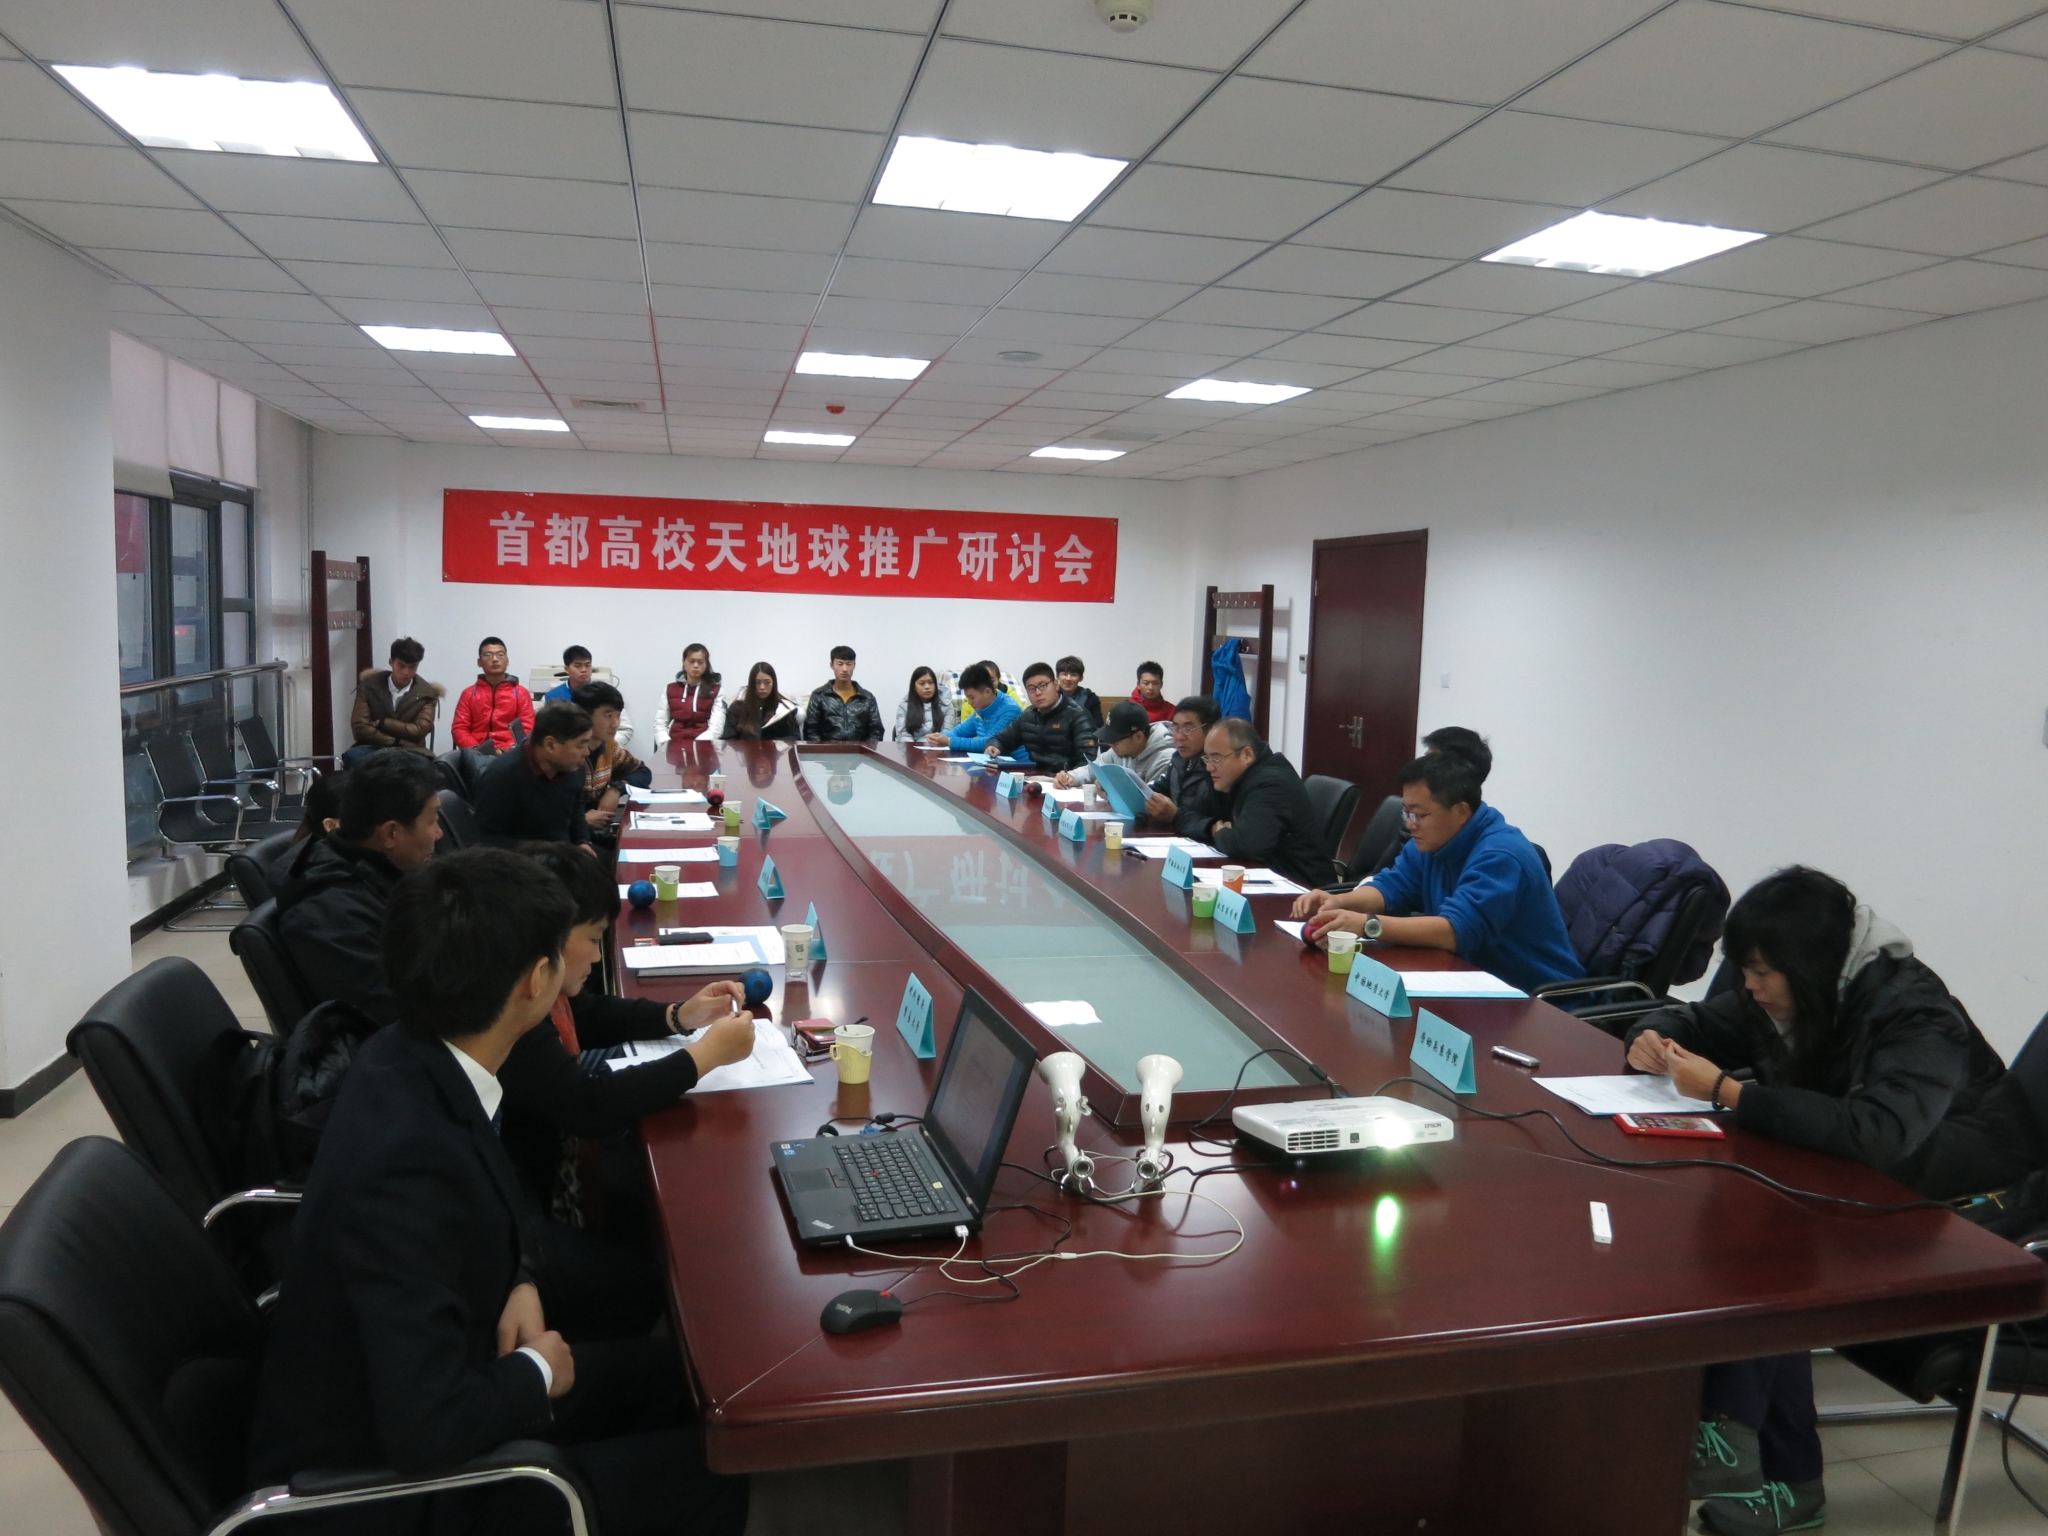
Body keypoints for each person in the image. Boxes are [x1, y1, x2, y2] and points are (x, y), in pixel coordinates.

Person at [247, 849, 750, 1536]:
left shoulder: (412, 1052)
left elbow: (493, 1195)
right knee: (708, 1479)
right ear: (537, 981)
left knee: (686, 1381)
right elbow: (428, 1428)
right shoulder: (405, 1172)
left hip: (452, 1364)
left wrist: (519, 1279)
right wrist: (535, 1372)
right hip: (394, 1492)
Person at [1625, 868, 2029, 1536]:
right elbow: (1697, 1020)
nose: (1749, 987)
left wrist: (1730, 1093)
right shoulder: (1791, 992)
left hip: (1968, 1205)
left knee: (1768, 1238)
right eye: (1744, 970)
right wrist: (1652, 1031)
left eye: (1761, 973)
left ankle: (1733, 1433)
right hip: (1863, 1179)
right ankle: (1770, 1465)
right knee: (1750, 1212)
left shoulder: (1916, 1015)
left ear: (1809, 965)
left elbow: (1879, 1133)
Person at [502, 843, 756, 1340]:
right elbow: (587, 1104)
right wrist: (704, 1057)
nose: (599, 955)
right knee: (646, 1281)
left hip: (534, 1176)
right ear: (551, 937)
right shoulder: (517, 1016)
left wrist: (679, 1016)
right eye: (594, 938)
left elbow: (590, 1013)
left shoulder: (540, 990)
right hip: (522, 1208)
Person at [1291, 752, 1579, 992]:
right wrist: (1340, 901)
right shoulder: (1431, 841)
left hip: (1534, 997)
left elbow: (1455, 931)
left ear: (1461, 811)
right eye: (1406, 813)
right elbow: (1393, 886)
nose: (1409, 824)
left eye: (1419, 814)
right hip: (1464, 978)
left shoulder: (1502, 855)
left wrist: (1367, 924)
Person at [275, 751, 443, 1029]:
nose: (439, 833)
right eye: (433, 820)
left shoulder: (383, 873)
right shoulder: (332, 916)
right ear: (390, 834)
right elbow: (396, 1019)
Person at [1184, 717, 1327, 889]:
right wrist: (1213, 826)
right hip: (1265, 877)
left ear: (1247, 755)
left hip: (1301, 889)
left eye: (1216, 758)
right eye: (1206, 758)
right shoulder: (1229, 778)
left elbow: (1246, 846)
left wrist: (1219, 832)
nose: (1209, 767)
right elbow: (1189, 814)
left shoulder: (1271, 783)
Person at [474, 701, 596, 849]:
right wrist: (544, 850)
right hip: (522, 860)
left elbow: (576, 811)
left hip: (563, 853)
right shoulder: (502, 776)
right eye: (581, 745)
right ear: (550, 745)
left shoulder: (573, 766)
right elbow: (486, 840)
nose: (587, 752)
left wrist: (583, 841)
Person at [980, 662, 1098, 772]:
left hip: (1068, 780)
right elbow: (1001, 739)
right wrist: (993, 746)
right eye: (1031, 689)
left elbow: (1088, 762)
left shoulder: (1078, 716)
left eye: (1043, 685)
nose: (1038, 693)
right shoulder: (1027, 715)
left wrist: (1069, 778)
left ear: (1056, 685)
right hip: (1037, 776)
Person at [345, 636, 441, 765]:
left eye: (412, 667)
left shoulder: (427, 693)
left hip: (412, 750)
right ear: (391, 662)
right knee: (353, 756)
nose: (406, 672)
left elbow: (419, 731)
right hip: (372, 746)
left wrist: (383, 723)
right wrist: (396, 741)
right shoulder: (369, 686)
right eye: (401, 666)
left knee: (421, 764)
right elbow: (359, 728)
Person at [573, 681, 647, 844]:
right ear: (585, 716)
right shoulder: (569, 754)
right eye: (608, 716)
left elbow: (642, 772)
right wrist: (582, 820)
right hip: (570, 839)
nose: (615, 724)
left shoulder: (608, 746)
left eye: (618, 716)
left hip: (594, 834)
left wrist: (615, 789)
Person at [1143, 695, 1222, 835]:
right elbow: (1158, 790)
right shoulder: (1179, 759)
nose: (1179, 737)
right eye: (1176, 728)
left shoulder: (1220, 768)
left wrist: (1175, 815)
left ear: (1211, 730)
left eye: (1188, 729)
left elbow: (1218, 824)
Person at [1058, 700, 1173, 789]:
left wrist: (1110, 792)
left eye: (1116, 740)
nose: (1110, 744)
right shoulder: (1120, 750)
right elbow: (1092, 770)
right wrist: (1070, 777)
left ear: (1138, 736)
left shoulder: (1165, 758)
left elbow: (1150, 801)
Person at [450, 636, 535, 754]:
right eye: (488, 655)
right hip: (475, 753)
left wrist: (505, 750)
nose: (495, 659)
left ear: (507, 660)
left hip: (511, 754)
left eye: (500, 654)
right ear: (479, 662)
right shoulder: (469, 694)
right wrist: (476, 750)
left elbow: (527, 728)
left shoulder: (520, 693)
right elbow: (460, 728)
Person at [546, 646, 634, 749]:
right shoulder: (552, 697)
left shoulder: (606, 694)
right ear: (566, 669)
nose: (584, 670)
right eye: (578, 666)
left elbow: (626, 729)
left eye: (587, 665)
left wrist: (603, 745)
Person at [925, 662, 1019, 751]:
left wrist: (949, 741)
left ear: (987, 692)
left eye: (972, 697)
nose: (969, 702)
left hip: (1016, 761)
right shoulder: (982, 709)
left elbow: (990, 742)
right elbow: (959, 731)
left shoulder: (1010, 710)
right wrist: (938, 737)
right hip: (992, 760)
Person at [802, 645, 884, 743]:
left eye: (849, 664)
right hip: (827, 750)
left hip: (860, 750)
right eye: (840, 664)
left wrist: (865, 749)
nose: (844, 669)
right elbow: (811, 730)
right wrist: (822, 749)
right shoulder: (819, 695)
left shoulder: (867, 698)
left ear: (854, 665)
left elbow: (876, 731)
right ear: (832, 665)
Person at [658, 643, 723, 744]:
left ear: (706, 664)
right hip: (673, 745)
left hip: (703, 746)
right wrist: (666, 744)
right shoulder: (670, 689)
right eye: (691, 661)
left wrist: (694, 747)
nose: (696, 665)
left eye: (700, 662)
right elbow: (660, 723)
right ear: (683, 661)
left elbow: (716, 728)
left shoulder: (716, 691)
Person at [720, 661, 799, 741]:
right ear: (751, 684)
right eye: (757, 683)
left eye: (767, 682)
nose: (762, 687)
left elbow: (795, 737)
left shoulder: (784, 709)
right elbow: (728, 739)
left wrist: (774, 744)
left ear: (774, 683)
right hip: (746, 749)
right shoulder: (737, 708)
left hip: (776, 749)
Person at [893, 666, 949, 743]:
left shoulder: (946, 705)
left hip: (938, 746)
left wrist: (932, 744)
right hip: (911, 748)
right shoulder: (904, 706)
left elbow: (947, 732)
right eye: (922, 683)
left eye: (931, 682)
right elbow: (903, 734)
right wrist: (913, 748)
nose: (927, 687)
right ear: (914, 687)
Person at [1055, 655, 1103, 731]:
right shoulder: (1049, 697)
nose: (1068, 678)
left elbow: (1098, 726)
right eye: (1064, 674)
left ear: (1080, 678)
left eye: (1073, 675)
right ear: (1057, 676)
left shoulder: (1090, 698)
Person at [1131, 661, 1172, 725]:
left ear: (1161, 684)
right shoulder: (1128, 710)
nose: (1150, 688)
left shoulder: (1171, 711)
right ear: (1138, 684)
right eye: (1146, 683)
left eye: (1155, 683)